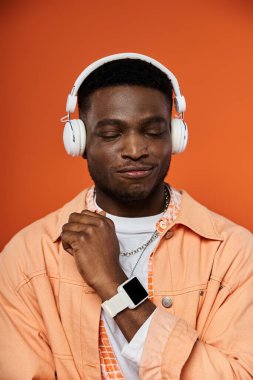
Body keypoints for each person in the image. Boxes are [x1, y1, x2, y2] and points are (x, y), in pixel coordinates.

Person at [0, 53, 253, 380]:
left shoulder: (232, 252)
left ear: (175, 138)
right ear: (79, 141)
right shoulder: (27, 256)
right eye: (111, 134)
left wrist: (115, 283)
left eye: (152, 131)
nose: (135, 149)